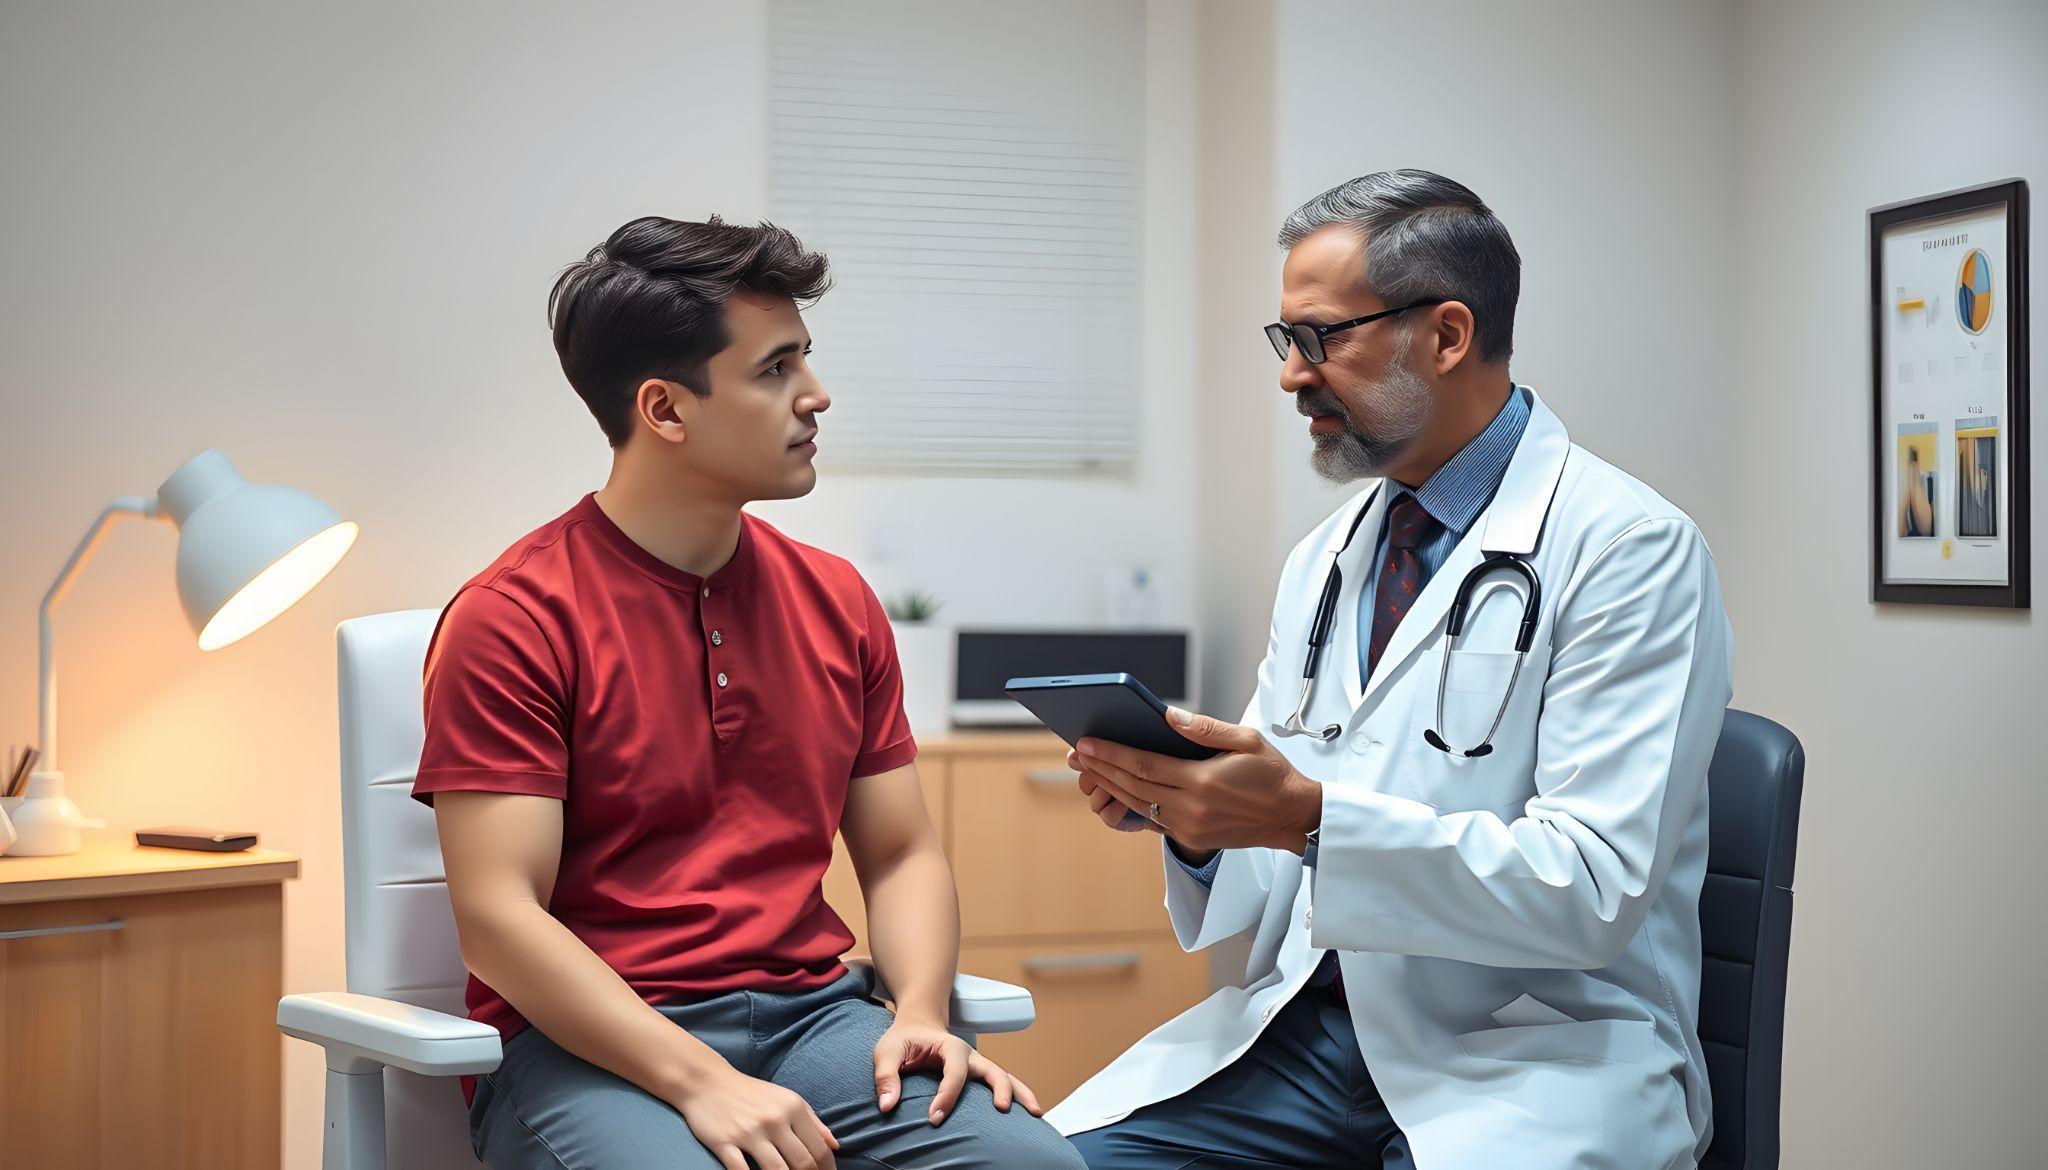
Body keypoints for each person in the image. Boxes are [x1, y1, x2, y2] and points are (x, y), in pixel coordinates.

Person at [1054, 171, 1734, 1170]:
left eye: (1321, 338)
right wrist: (1190, 815)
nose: (1292, 375)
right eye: (1285, 341)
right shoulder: (1327, 559)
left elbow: (1588, 887)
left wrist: (1305, 819)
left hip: (1531, 1055)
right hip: (1300, 1044)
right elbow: (1274, 832)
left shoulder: (1629, 549)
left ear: (1445, 335)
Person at [416, 215, 1083, 1170]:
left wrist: (924, 1015)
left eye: (804, 359)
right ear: (666, 409)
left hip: (817, 1024)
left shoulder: (837, 599)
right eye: (775, 371)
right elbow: (499, 920)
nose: (816, 396)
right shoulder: (513, 618)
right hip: (593, 1048)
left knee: (1036, 1168)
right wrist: (701, 1082)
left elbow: (899, 855)